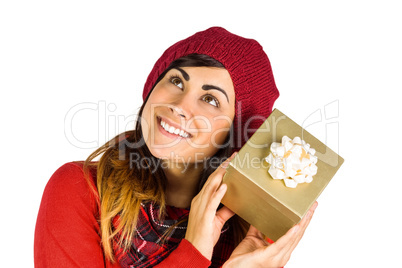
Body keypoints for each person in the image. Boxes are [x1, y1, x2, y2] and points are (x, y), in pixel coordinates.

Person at [34, 26, 318, 268]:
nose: (180, 106)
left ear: (234, 134)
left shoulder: (248, 239)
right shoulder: (80, 189)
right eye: (176, 80)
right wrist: (193, 250)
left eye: (210, 99)